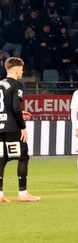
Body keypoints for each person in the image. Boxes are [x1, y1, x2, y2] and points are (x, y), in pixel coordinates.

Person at [0, 57, 41, 202]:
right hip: (12, 128)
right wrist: (22, 126)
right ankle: (23, 193)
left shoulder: (0, 84)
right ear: (17, 70)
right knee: (23, 156)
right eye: (22, 69)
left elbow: (5, 107)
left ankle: (0, 194)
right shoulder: (17, 85)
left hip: (0, 127)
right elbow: (16, 107)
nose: (22, 72)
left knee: (1, 159)